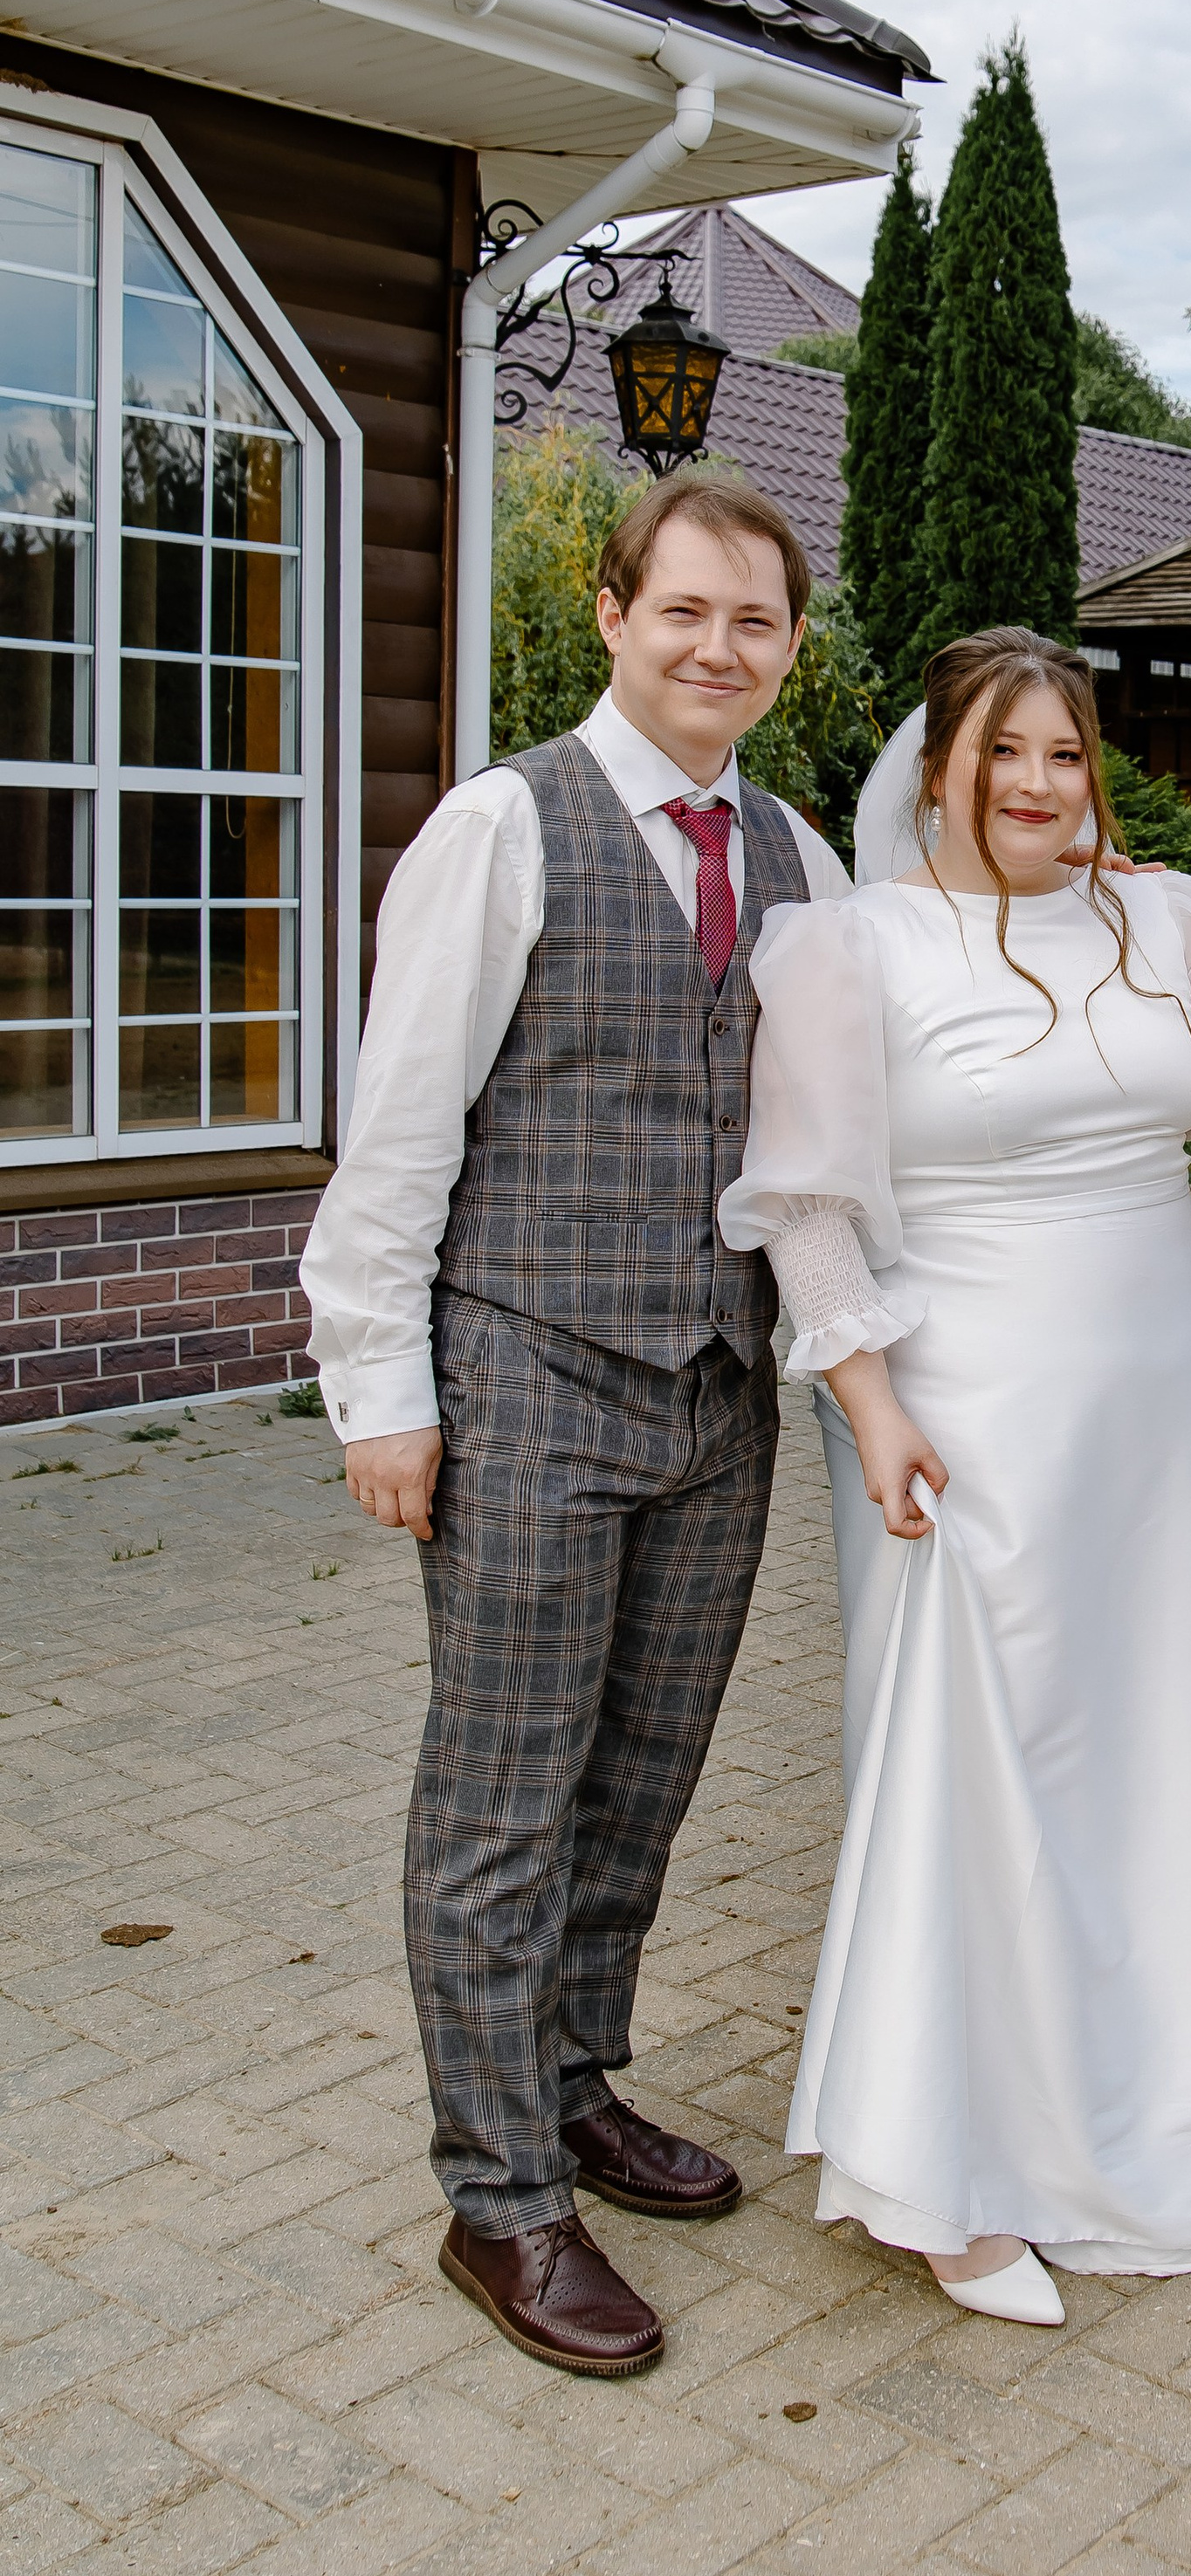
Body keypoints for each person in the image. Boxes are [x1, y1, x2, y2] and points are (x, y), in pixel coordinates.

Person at [721, 627, 1191, 2325]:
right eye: (1003, 754)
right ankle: (945, 2178)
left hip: (1162, 1404)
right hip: (970, 1403)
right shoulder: (847, 948)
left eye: (1064, 755)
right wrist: (870, 1404)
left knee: (1159, 1750)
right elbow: (806, 1205)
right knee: (983, 1764)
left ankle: (1164, 2120)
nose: (1037, 785)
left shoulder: (1161, 918)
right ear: (937, 767)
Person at [301, 470, 850, 2380]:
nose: (719, 646)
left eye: (756, 621)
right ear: (614, 612)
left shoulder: (799, 853)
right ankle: (498, 2194)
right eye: (685, 609)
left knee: (642, 1777)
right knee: (500, 1802)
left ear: (790, 649)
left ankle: (570, 2074)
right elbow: (402, 1123)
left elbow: (828, 1132)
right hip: (528, 1371)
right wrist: (381, 1386)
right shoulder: (499, 824)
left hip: (717, 1388)